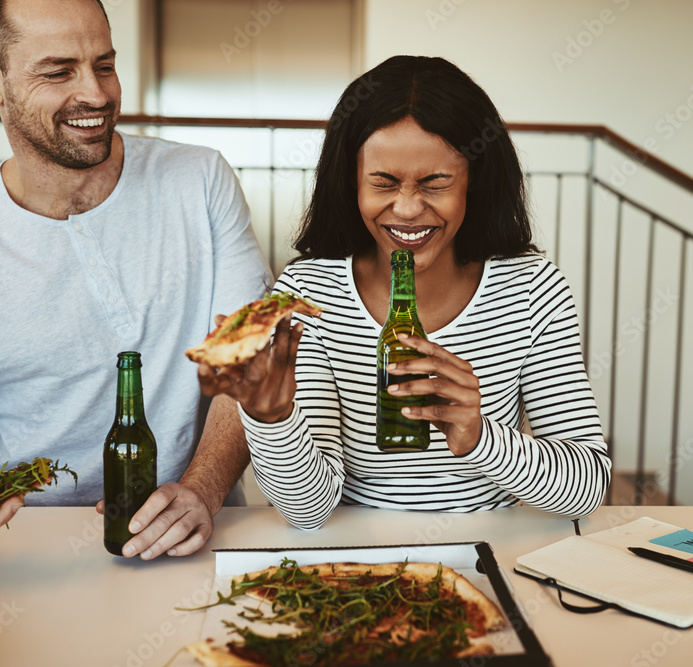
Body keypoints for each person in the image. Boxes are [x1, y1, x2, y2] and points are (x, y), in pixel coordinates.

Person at [0, 0, 272, 560]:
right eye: (59, 71)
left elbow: (245, 366)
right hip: (24, 547)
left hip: (195, 533)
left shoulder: (200, 180)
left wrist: (202, 490)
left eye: (105, 65)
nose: (96, 94)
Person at [200, 55, 611, 530]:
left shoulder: (532, 288)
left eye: (436, 183)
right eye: (383, 183)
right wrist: (272, 418)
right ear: (350, 183)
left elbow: (589, 487)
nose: (409, 208)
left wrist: (482, 438)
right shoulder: (309, 292)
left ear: (474, 182)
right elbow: (309, 511)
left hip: (486, 552)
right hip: (351, 560)